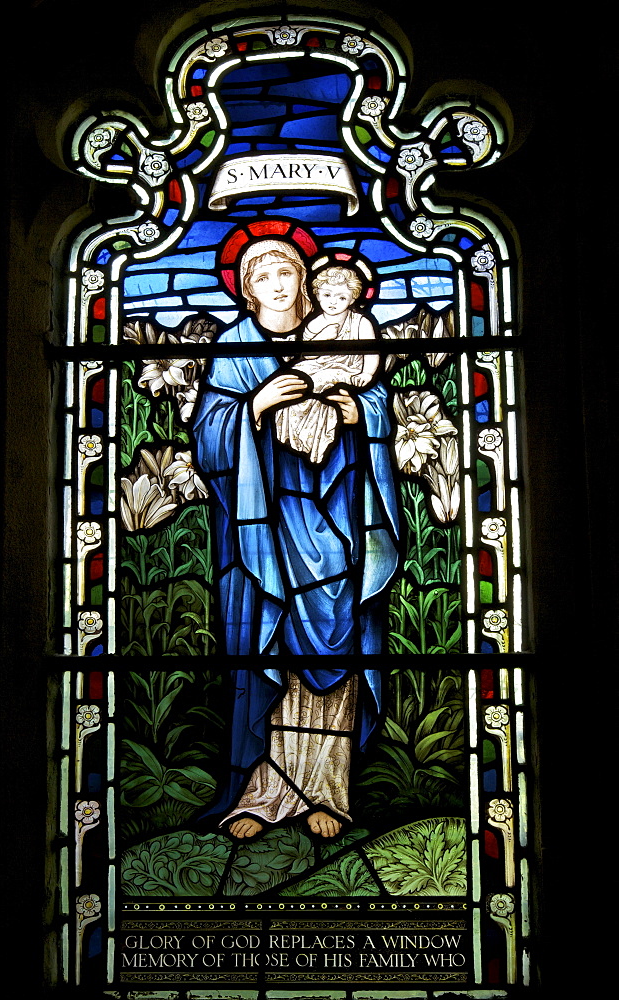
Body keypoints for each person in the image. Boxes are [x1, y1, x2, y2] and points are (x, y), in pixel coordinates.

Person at [193, 238, 399, 837]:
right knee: (269, 648)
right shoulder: (234, 350)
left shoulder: (336, 332)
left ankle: (329, 792)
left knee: (337, 642)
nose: (279, 283)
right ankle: (262, 795)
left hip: (336, 513)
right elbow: (208, 438)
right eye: (264, 275)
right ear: (246, 288)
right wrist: (254, 405)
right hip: (260, 534)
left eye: (289, 271)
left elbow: (378, 402)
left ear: (307, 279)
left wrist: (361, 414)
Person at [274, 265, 380, 464]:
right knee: (294, 376)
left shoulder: (360, 322)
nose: (333, 302)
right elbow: (308, 357)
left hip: (347, 370)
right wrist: (321, 339)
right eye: (327, 295)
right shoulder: (313, 323)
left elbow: (371, 352)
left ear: (353, 299)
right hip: (316, 366)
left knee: (320, 381)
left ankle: (316, 438)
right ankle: (295, 430)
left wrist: (366, 374)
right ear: (318, 295)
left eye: (341, 297)